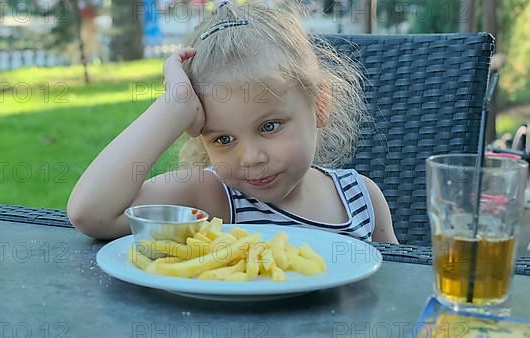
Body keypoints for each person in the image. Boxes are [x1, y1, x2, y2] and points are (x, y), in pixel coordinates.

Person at [67, 0, 399, 243]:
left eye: (269, 126)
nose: (251, 157)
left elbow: (395, 289)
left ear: (319, 106)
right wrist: (173, 107)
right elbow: (92, 213)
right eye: (223, 139)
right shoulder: (211, 199)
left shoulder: (361, 198)